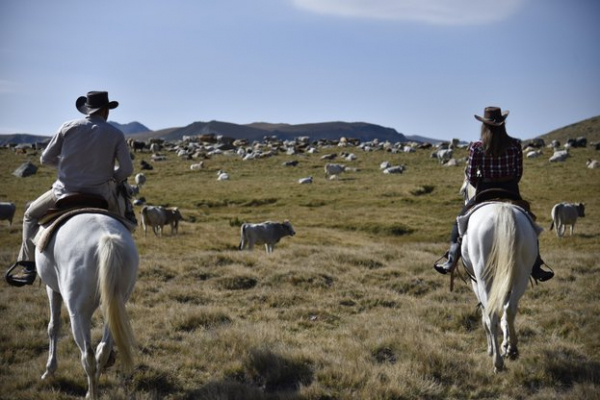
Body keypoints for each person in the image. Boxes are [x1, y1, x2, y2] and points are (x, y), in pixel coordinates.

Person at [6, 91, 134, 286]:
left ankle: (28, 264)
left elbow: (45, 159)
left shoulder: (68, 127)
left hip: (63, 192)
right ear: (106, 110)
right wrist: (110, 178)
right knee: (125, 223)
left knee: (30, 216)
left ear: (88, 109)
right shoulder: (115, 133)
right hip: (102, 194)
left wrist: (67, 167)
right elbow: (127, 169)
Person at [433, 106, 554, 282]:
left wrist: (484, 182)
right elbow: (518, 173)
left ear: (484, 126)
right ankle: (536, 266)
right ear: (503, 125)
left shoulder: (476, 147)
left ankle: (451, 260)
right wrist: (508, 182)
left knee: (458, 223)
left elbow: (472, 176)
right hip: (511, 191)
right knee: (529, 225)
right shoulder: (515, 145)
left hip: (484, 192)